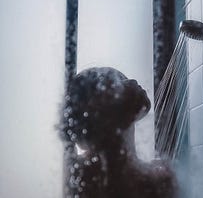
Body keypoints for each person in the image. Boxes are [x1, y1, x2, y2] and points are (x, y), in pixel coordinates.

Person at [60, 67, 177, 198]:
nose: (133, 81)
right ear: (100, 108)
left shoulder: (81, 172)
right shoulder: (155, 181)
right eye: (118, 81)